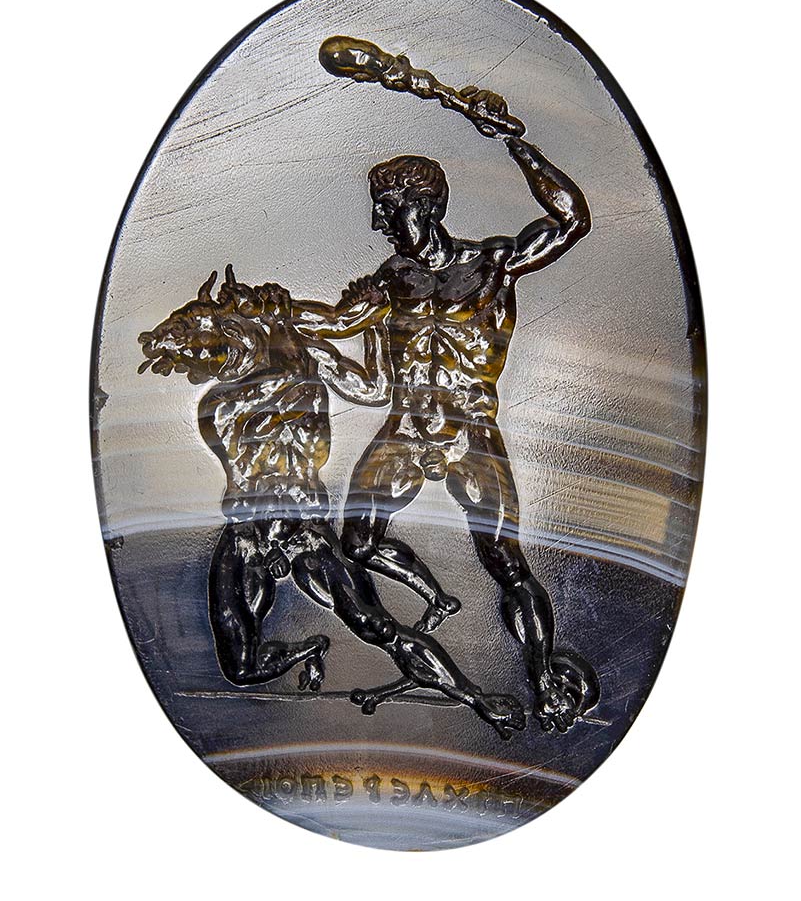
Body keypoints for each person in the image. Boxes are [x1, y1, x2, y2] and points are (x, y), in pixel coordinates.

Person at [294, 90, 598, 732]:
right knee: (356, 544)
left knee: (506, 563)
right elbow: (335, 322)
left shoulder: (493, 263)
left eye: (386, 207)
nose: (378, 222)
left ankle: (542, 672)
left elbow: (572, 221)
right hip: (404, 431)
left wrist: (514, 141)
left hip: (470, 431)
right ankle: (426, 629)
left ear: (424, 204)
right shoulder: (390, 280)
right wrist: (269, 308)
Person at [138, 265, 526, 739]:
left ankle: (476, 699)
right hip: (247, 534)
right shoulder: (217, 405)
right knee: (240, 666)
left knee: (376, 626)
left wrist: (375, 322)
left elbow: (374, 389)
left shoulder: (303, 354)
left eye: (197, 351)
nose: (201, 365)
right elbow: (281, 391)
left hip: (307, 530)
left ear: (222, 329)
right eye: (193, 362)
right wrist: (294, 324)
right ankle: (311, 648)